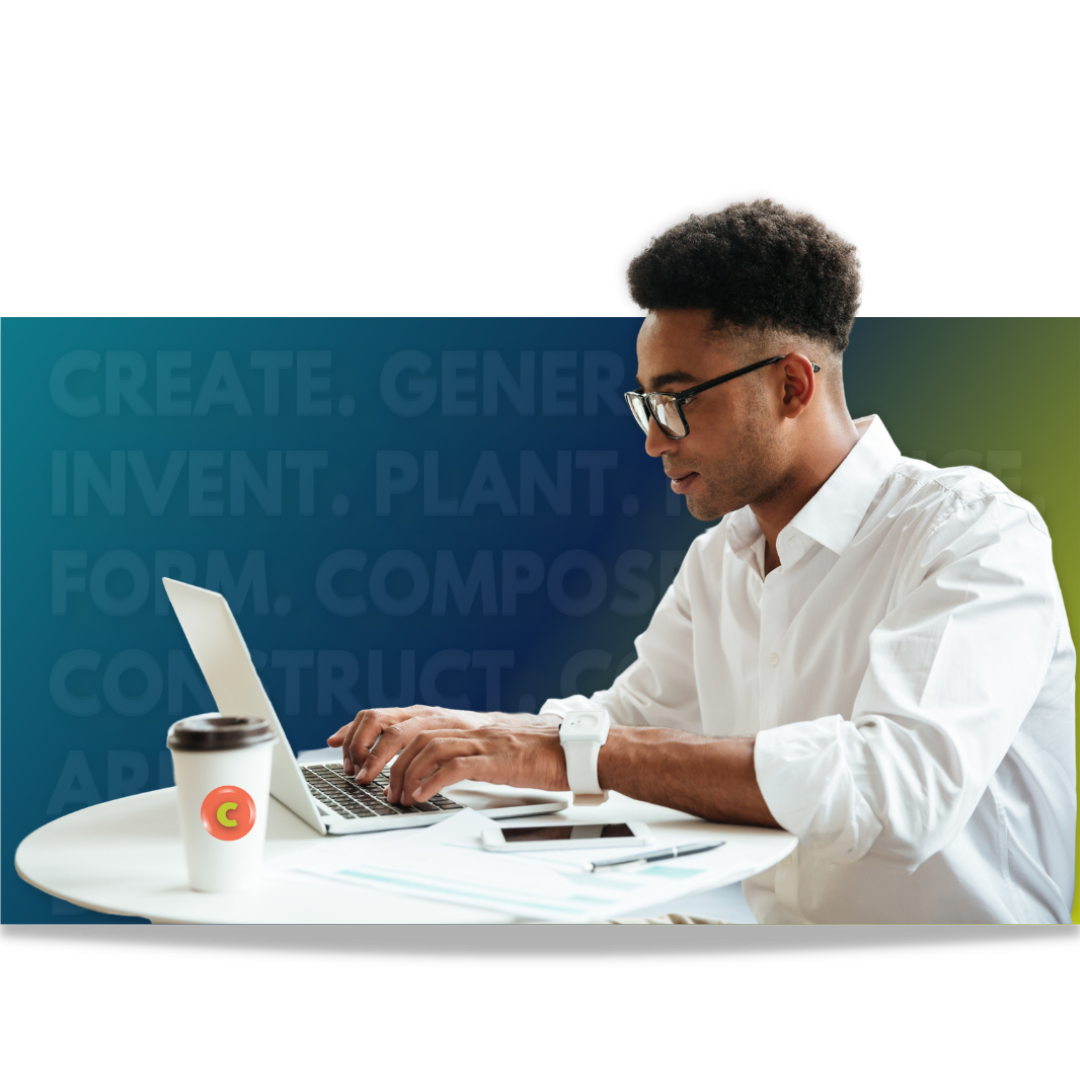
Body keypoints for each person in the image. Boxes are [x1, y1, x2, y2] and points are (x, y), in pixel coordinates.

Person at [328, 198, 1077, 924]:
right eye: (646, 405)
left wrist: (566, 750)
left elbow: (895, 791)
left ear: (791, 384)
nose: (655, 439)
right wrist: (462, 738)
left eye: (678, 401)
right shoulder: (720, 559)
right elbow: (628, 727)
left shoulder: (975, 533)